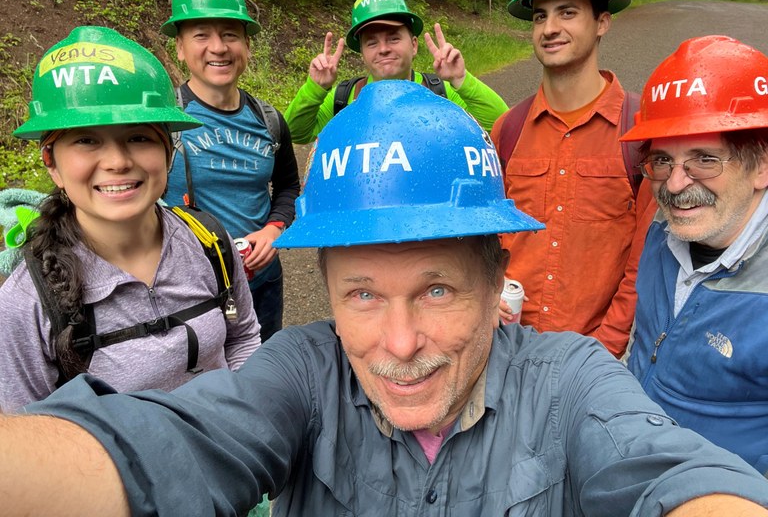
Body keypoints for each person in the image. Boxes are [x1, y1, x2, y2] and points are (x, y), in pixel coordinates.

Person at [3, 81, 768, 517]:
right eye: (362, 295)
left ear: (496, 273)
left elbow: (674, 475)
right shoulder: (304, 371)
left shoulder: (567, 379)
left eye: (437, 289)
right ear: (327, 287)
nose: (400, 345)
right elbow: (165, 446)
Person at [0, 26, 260, 411]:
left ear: (169, 152)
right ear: (51, 162)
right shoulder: (25, 304)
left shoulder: (209, 241)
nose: (118, 161)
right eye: (86, 139)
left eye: (138, 137)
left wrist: (243, 422)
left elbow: (241, 337)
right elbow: (27, 442)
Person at [490, 0, 655, 357]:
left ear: (602, 22)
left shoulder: (640, 129)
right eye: (540, 15)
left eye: (567, 12)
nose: (549, 28)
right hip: (505, 348)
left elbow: (643, 261)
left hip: (593, 360)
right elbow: (486, 240)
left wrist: (604, 349)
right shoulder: (507, 130)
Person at [622, 35, 768, 475]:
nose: (676, 185)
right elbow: (644, 345)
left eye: (705, 159)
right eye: (663, 161)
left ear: (762, 166)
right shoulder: (662, 231)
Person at [161, 0, 300, 341]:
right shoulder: (161, 123)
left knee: (264, 376)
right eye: (201, 35)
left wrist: (274, 230)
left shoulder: (269, 120)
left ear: (247, 46)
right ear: (180, 47)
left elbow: (288, 187)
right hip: (189, 293)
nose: (218, 47)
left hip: (262, 284)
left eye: (230, 35)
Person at [284, 0, 509, 148]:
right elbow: (295, 133)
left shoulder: (440, 92)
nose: (383, 48)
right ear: (362, 53)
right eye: (372, 42)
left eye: (393, 38)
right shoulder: (344, 98)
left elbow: (501, 125)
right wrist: (315, 88)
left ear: (413, 45)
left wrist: (461, 79)